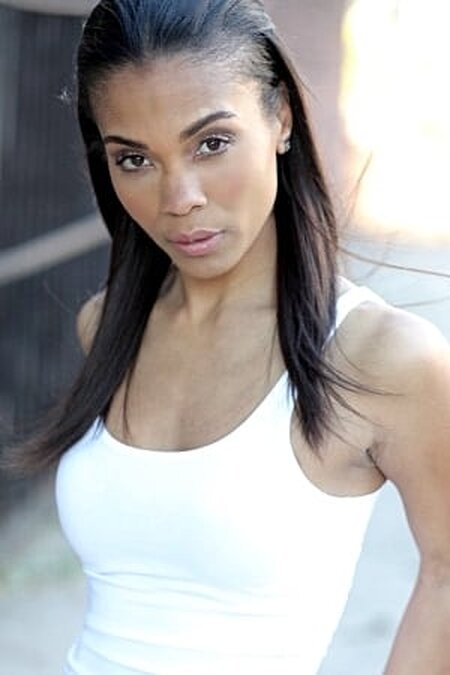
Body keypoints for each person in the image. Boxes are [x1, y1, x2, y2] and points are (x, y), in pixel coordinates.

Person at [15, 0, 450, 673]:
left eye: (211, 143)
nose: (179, 196)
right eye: (135, 159)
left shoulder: (382, 356)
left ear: (280, 119)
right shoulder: (104, 327)